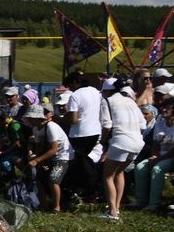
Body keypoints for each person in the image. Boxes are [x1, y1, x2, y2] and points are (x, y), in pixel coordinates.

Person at [99, 85, 144, 221]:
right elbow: (143, 125)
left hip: (120, 141)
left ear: (107, 91)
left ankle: (112, 212)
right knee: (119, 173)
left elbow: (107, 125)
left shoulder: (107, 101)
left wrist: (103, 141)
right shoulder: (131, 101)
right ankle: (116, 208)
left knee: (108, 176)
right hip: (137, 143)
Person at [129, 95, 174, 212]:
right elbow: (155, 141)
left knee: (157, 169)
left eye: (167, 108)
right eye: (163, 107)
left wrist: (159, 159)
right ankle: (140, 201)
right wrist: (154, 154)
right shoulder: (160, 119)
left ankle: (154, 204)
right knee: (139, 168)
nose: (163, 110)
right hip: (159, 154)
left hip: (171, 156)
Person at [65, 71, 104, 203]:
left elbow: (73, 119)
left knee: (78, 163)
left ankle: (90, 186)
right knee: (86, 160)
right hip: (96, 131)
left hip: (79, 133)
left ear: (76, 82)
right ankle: (90, 186)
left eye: (70, 86)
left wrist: (64, 117)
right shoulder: (96, 92)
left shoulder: (75, 95)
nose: (70, 89)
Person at [24, 105, 70, 213]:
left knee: (53, 178)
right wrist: (36, 158)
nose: (28, 120)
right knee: (38, 178)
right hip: (49, 157)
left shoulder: (51, 127)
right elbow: (39, 147)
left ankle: (56, 207)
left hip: (62, 157)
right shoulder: (35, 129)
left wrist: (37, 160)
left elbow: (54, 149)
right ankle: (43, 205)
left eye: (30, 118)